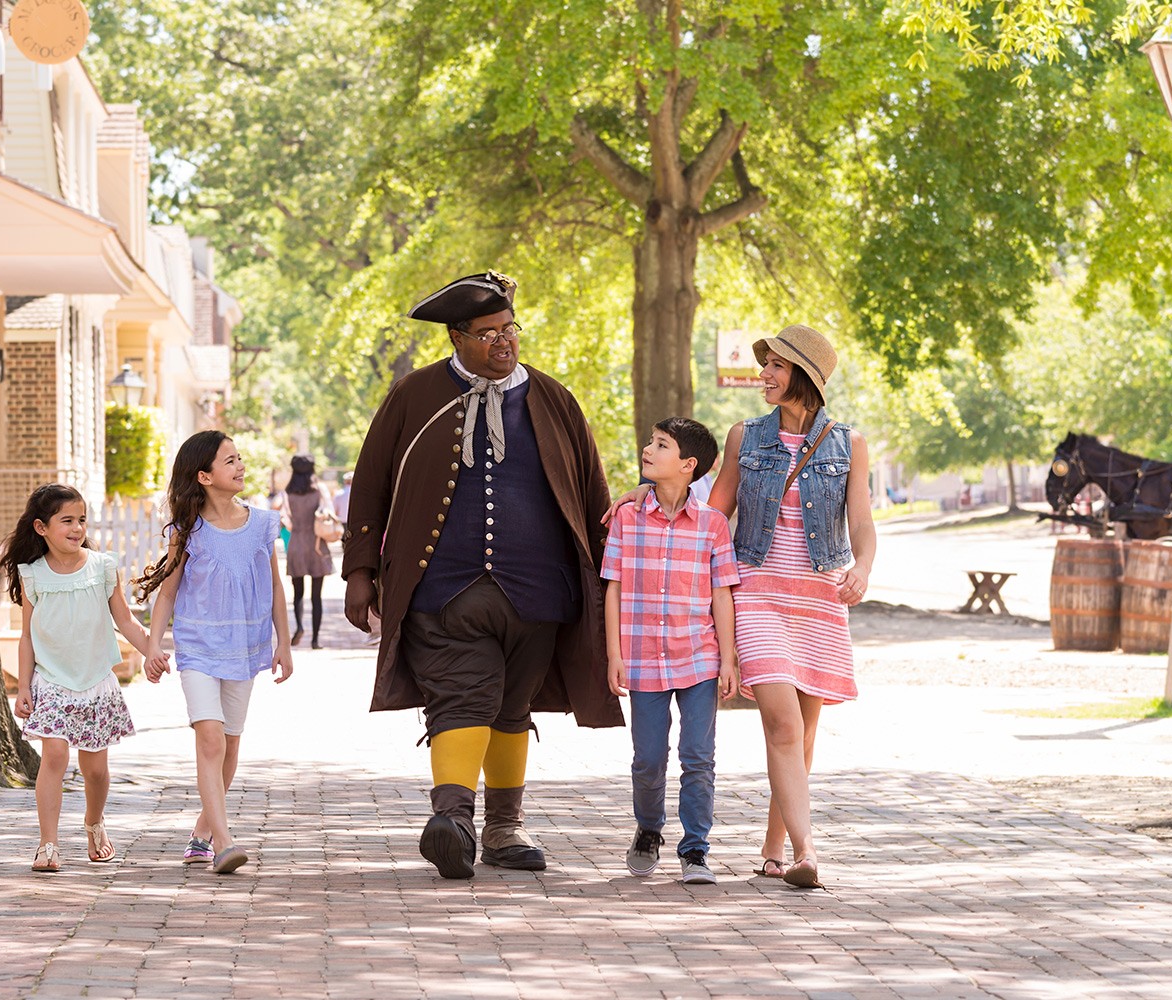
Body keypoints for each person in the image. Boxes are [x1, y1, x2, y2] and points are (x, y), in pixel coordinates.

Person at [343, 269, 620, 880]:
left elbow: (593, 494)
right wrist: (359, 570)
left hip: (539, 592)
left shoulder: (554, 399)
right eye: (489, 333)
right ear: (456, 337)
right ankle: (452, 818)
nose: (504, 342)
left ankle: (503, 827)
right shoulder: (412, 394)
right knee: (460, 697)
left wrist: (612, 583)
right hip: (442, 591)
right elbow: (370, 484)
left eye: (509, 329)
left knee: (512, 706)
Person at [606, 324, 875, 889]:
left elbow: (862, 523)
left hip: (818, 598)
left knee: (801, 732)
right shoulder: (743, 437)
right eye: (766, 365)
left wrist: (863, 569)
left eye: (776, 366)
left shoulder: (849, 444)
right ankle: (807, 851)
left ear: (805, 375)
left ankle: (775, 847)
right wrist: (649, 494)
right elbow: (713, 505)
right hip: (756, 590)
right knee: (779, 719)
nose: (765, 376)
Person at [136, 430, 295, 875]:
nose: (241, 465)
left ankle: (203, 833)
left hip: (246, 649)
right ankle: (225, 842)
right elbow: (167, 594)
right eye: (230, 461)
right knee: (209, 740)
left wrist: (283, 642)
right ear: (204, 476)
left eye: (239, 458)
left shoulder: (264, 524)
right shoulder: (188, 531)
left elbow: (276, 589)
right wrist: (153, 646)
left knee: (228, 746)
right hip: (198, 647)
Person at [602, 417, 739, 884]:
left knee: (698, 756)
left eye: (661, 445)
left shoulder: (713, 525)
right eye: (650, 440)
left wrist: (728, 659)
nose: (648, 448)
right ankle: (648, 829)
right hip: (641, 658)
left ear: (687, 465)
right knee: (648, 758)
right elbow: (614, 589)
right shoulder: (626, 516)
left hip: (699, 657)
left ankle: (696, 850)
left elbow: (722, 593)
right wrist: (614, 655)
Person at [0, 484, 149, 873]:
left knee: (95, 769)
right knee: (55, 754)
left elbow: (125, 619)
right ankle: (48, 844)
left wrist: (153, 651)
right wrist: (25, 686)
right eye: (67, 520)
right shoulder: (32, 575)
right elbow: (28, 635)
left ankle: (94, 823)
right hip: (51, 681)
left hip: (95, 679)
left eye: (81, 520)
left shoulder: (103, 568)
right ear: (41, 527)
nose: (77, 527)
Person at [274, 454, 335, 649]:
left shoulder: (288, 492)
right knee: (316, 596)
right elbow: (329, 511)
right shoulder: (319, 490)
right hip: (316, 545)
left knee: (297, 594)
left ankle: (299, 626)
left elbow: (285, 518)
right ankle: (315, 640)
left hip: (296, 544)